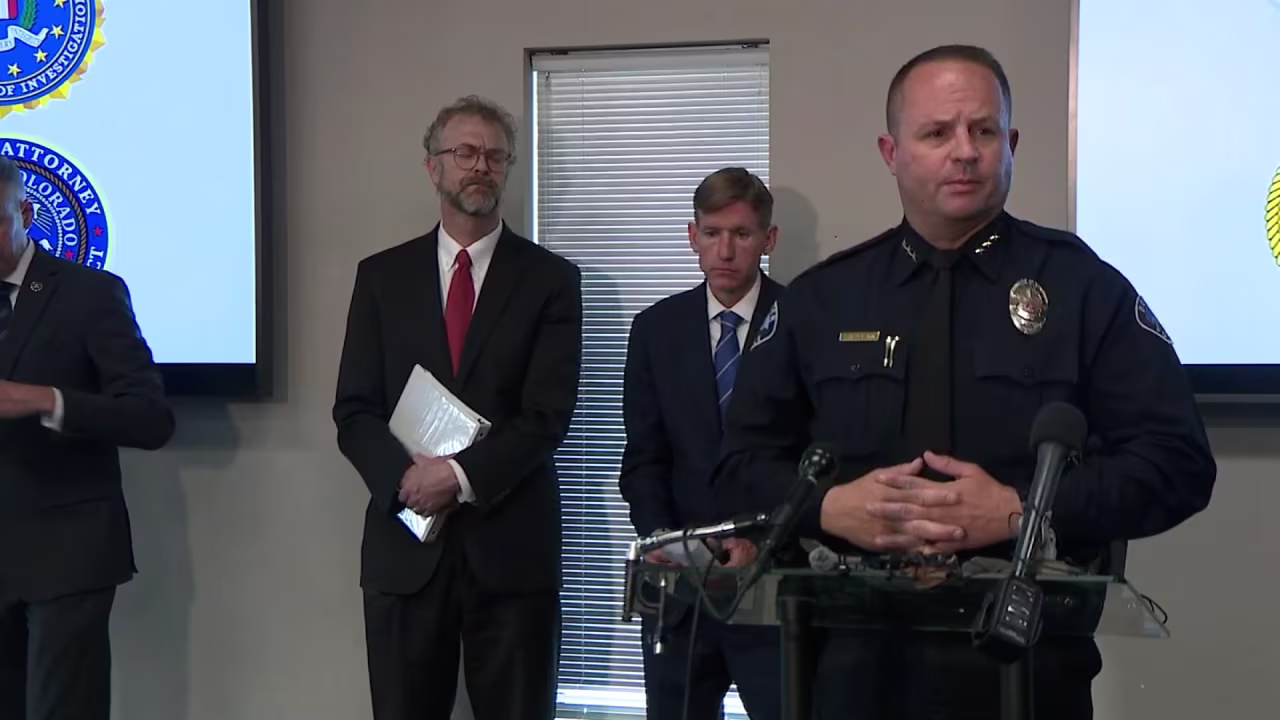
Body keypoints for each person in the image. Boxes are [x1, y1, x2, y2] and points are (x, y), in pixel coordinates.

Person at [712, 45, 1216, 719]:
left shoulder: (1082, 289)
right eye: (937, 133)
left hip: (1026, 669)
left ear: (1011, 144)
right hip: (853, 668)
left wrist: (1021, 512)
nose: (965, 151)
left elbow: (1178, 465)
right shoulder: (821, 301)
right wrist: (828, 509)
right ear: (892, 152)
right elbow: (736, 466)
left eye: (984, 131)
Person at [333, 95, 583, 720]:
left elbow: (547, 414)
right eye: (465, 152)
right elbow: (354, 409)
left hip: (512, 554)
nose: (481, 166)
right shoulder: (380, 278)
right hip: (405, 553)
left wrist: (459, 476)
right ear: (433, 167)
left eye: (495, 156)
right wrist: (408, 482)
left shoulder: (551, 279)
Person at [0, 156, 176, 719]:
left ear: (24, 213)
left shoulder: (88, 293)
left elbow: (150, 418)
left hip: (65, 553)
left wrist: (46, 400)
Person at [619, 167, 786, 720]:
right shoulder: (655, 330)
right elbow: (643, 458)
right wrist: (669, 543)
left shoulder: (804, 322)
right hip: (680, 591)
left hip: (774, 579)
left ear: (769, 239)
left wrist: (765, 543)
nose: (726, 250)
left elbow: (817, 455)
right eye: (712, 232)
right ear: (692, 236)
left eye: (741, 234)